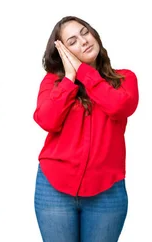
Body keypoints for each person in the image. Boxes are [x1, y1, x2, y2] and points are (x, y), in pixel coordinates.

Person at [33, 16, 138, 242]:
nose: (83, 41)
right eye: (72, 41)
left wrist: (83, 72)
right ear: (62, 52)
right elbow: (47, 121)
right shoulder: (53, 82)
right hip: (54, 187)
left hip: (107, 189)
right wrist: (70, 78)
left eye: (84, 32)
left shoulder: (124, 78)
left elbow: (119, 106)